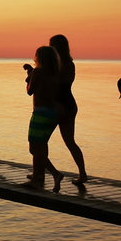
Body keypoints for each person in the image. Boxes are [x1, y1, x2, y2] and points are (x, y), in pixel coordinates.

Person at [49, 34, 88, 185]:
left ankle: (38, 173)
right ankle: (83, 174)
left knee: (39, 141)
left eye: (52, 45)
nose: (50, 48)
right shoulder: (69, 63)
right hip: (69, 104)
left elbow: (56, 84)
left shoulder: (60, 64)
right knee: (70, 142)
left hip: (59, 105)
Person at [23, 46, 63, 192]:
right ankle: (38, 176)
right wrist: (31, 73)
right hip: (53, 113)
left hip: (40, 114)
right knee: (42, 146)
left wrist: (30, 75)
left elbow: (30, 90)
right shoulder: (54, 73)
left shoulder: (39, 72)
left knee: (34, 148)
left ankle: (54, 174)